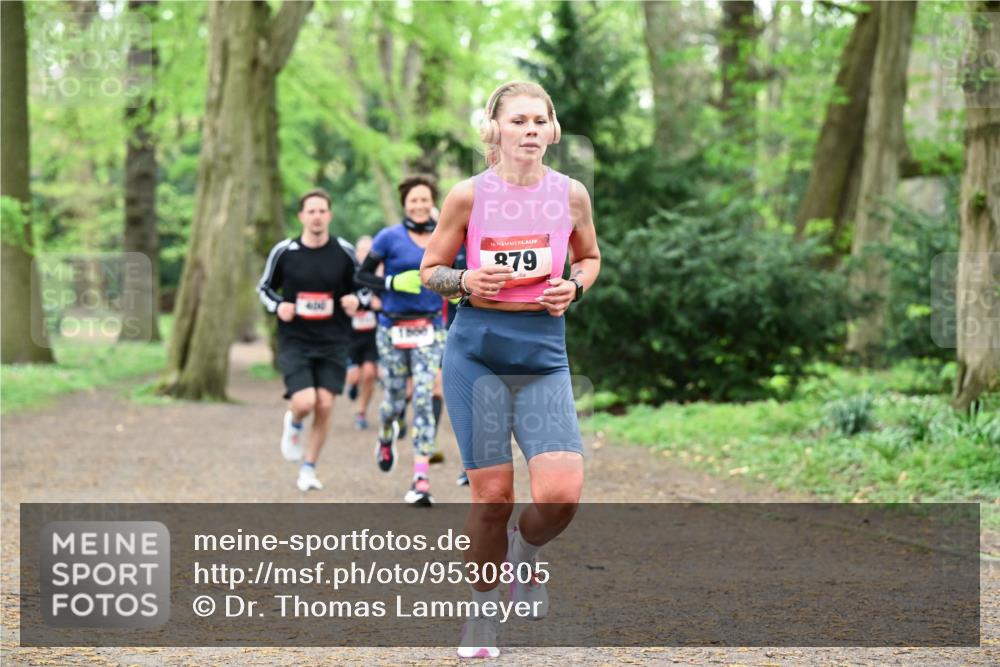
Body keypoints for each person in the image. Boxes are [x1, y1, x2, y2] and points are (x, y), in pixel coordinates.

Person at [419, 81, 600, 658]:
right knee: (492, 498)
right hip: (477, 350)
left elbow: (591, 257)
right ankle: (482, 613)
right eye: (517, 120)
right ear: (493, 130)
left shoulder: (571, 195)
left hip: (542, 353)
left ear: (552, 131)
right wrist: (465, 280)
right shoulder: (467, 196)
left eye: (539, 121)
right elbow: (431, 269)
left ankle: (524, 551)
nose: (529, 130)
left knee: (562, 497)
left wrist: (573, 286)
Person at [257, 189, 370, 492]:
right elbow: (265, 288)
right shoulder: (286, 250)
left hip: (334, 340)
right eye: (311, 211)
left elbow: (364, 288)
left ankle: (308, 467)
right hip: (296, 339)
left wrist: (355, 301)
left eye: (322, 211)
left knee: (325, 404)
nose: (317, 216)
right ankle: (294, 423)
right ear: (301, 216)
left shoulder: (343, 251)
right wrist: (279, 305)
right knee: (305, 401)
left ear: (329, 215)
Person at [355, 175, 447, 506]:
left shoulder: (445, 235)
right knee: (394, 402)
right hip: (392, 327)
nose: (419, 206)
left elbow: (465, 268)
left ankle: (420, 478)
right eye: (413, 201)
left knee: (423, 397)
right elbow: (362, 275)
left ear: (433, 202)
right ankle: (385, 434)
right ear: (404, 204)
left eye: (425, 200)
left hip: (430, 326)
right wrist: (392, 283)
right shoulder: (389, 237)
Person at [344, 235, 380, 430]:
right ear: (356, 253)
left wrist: (378, 304)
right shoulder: (348, 275)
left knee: (369, 374)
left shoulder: (378, 275)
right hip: (351, 335)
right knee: (354, 376)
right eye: (362, 250)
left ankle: (361, 412)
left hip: (371, 335)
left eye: (369, 251)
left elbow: (385, 300)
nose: (365, 254)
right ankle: (352, 386)